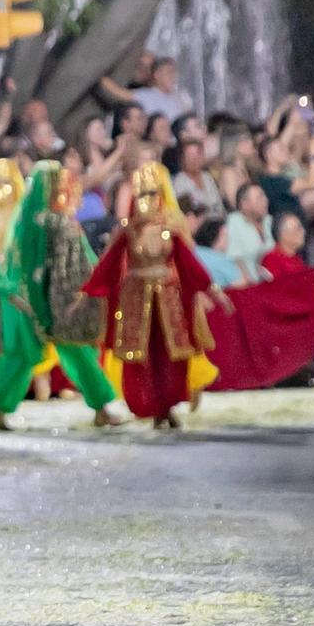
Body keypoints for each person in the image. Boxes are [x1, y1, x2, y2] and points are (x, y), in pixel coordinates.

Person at [84, 162, 226, 429]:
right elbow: (108, 264)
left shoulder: (170, 229)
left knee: (170, 356)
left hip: (169, 300)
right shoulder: (128, 231)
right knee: (141, 357)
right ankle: (149, 406)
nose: (147, 201)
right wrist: (90, 291)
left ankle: (168, 406)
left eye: (152, 194)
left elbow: (188, 264)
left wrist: (213, 291)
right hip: (137, 300)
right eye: (142, 195)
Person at [16, 161, 121, 426]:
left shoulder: (54, 219)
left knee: (71, 354)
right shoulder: (47, 222)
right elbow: (41, 265)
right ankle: (101, 407)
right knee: (69, 355)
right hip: (59, 300)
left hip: (68, 296)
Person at [0, 159, 43, 432]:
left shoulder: (23, 215)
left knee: (26, 351)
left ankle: (0, 405)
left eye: (3, 182)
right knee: (8, 350)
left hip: (23, 289)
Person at [223, 185, 275, 284]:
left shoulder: (269, 221)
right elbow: (235, 260)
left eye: (264, 196)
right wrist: (250, 285)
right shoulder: (233, 222)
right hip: (249, 285)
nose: (266, 200)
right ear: (244, 204)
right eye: (259, 197)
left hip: (274, 281)